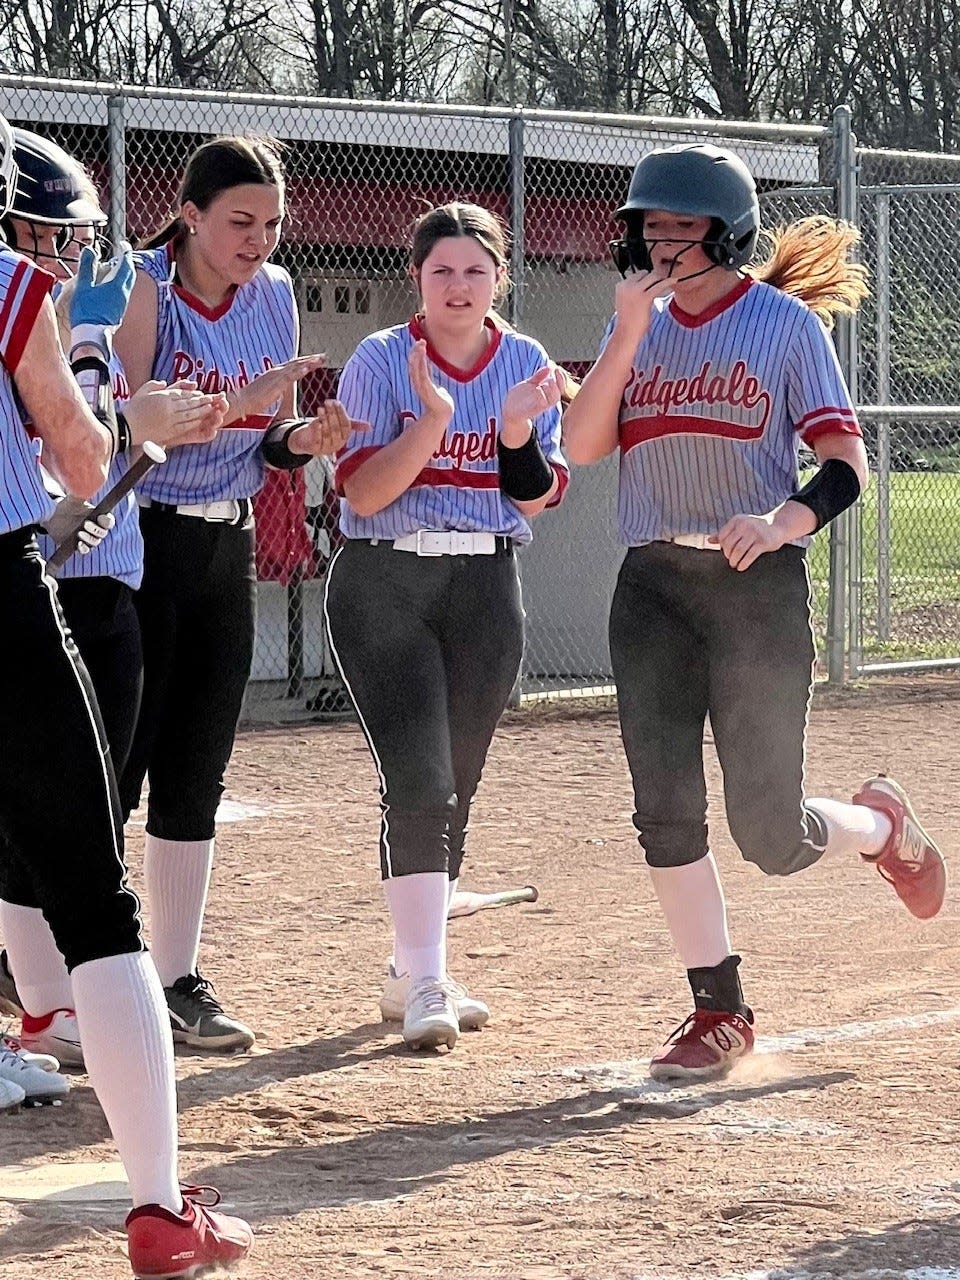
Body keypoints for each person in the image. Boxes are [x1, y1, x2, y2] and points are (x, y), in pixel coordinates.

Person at [562, 143, 947, 1083]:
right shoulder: (636, 325)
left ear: (726, 234)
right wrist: (622, 332)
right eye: (648, 228)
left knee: (769, 834)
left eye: (680, 229)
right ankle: (718, 1008)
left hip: (754, 594)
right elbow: (579, 445)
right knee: (664, 813)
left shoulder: (782, 328)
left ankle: (881, 828)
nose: (659, 247)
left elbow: (846, 465)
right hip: (651, 586)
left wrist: (784, 520)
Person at [0, 109, 252, 1275]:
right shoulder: (14, 289)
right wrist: (126, 421)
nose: (53, 256)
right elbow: (82, 469)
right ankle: (160, 1208)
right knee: (96, 904)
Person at [114, 135, 352, 1052]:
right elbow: (130, 433)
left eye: (272, 223)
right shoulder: (144, 286)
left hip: (227, 541)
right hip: (142, 542)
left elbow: (269, 443)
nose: (258, 240)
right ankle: (63, 978)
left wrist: (303, 438)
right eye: (239, 221)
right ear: (190, 216)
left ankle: (177, 980)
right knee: (116, 767)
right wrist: (239, 402)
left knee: (198, 769)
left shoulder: (278, 292)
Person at [325, 202, 568, 1051]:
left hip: (486, 580)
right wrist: (431, 421)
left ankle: (408, 969)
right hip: (386, 577)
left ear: (500, 277)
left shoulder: (527, 362)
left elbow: (536, 494)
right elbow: (361, 492)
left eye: (475, 271)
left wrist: (509, 431)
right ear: (417, 280)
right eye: (441, 272)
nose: (458, 287)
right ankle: (426, 975)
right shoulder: (383, 360)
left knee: (454, 782)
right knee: (420, 778)